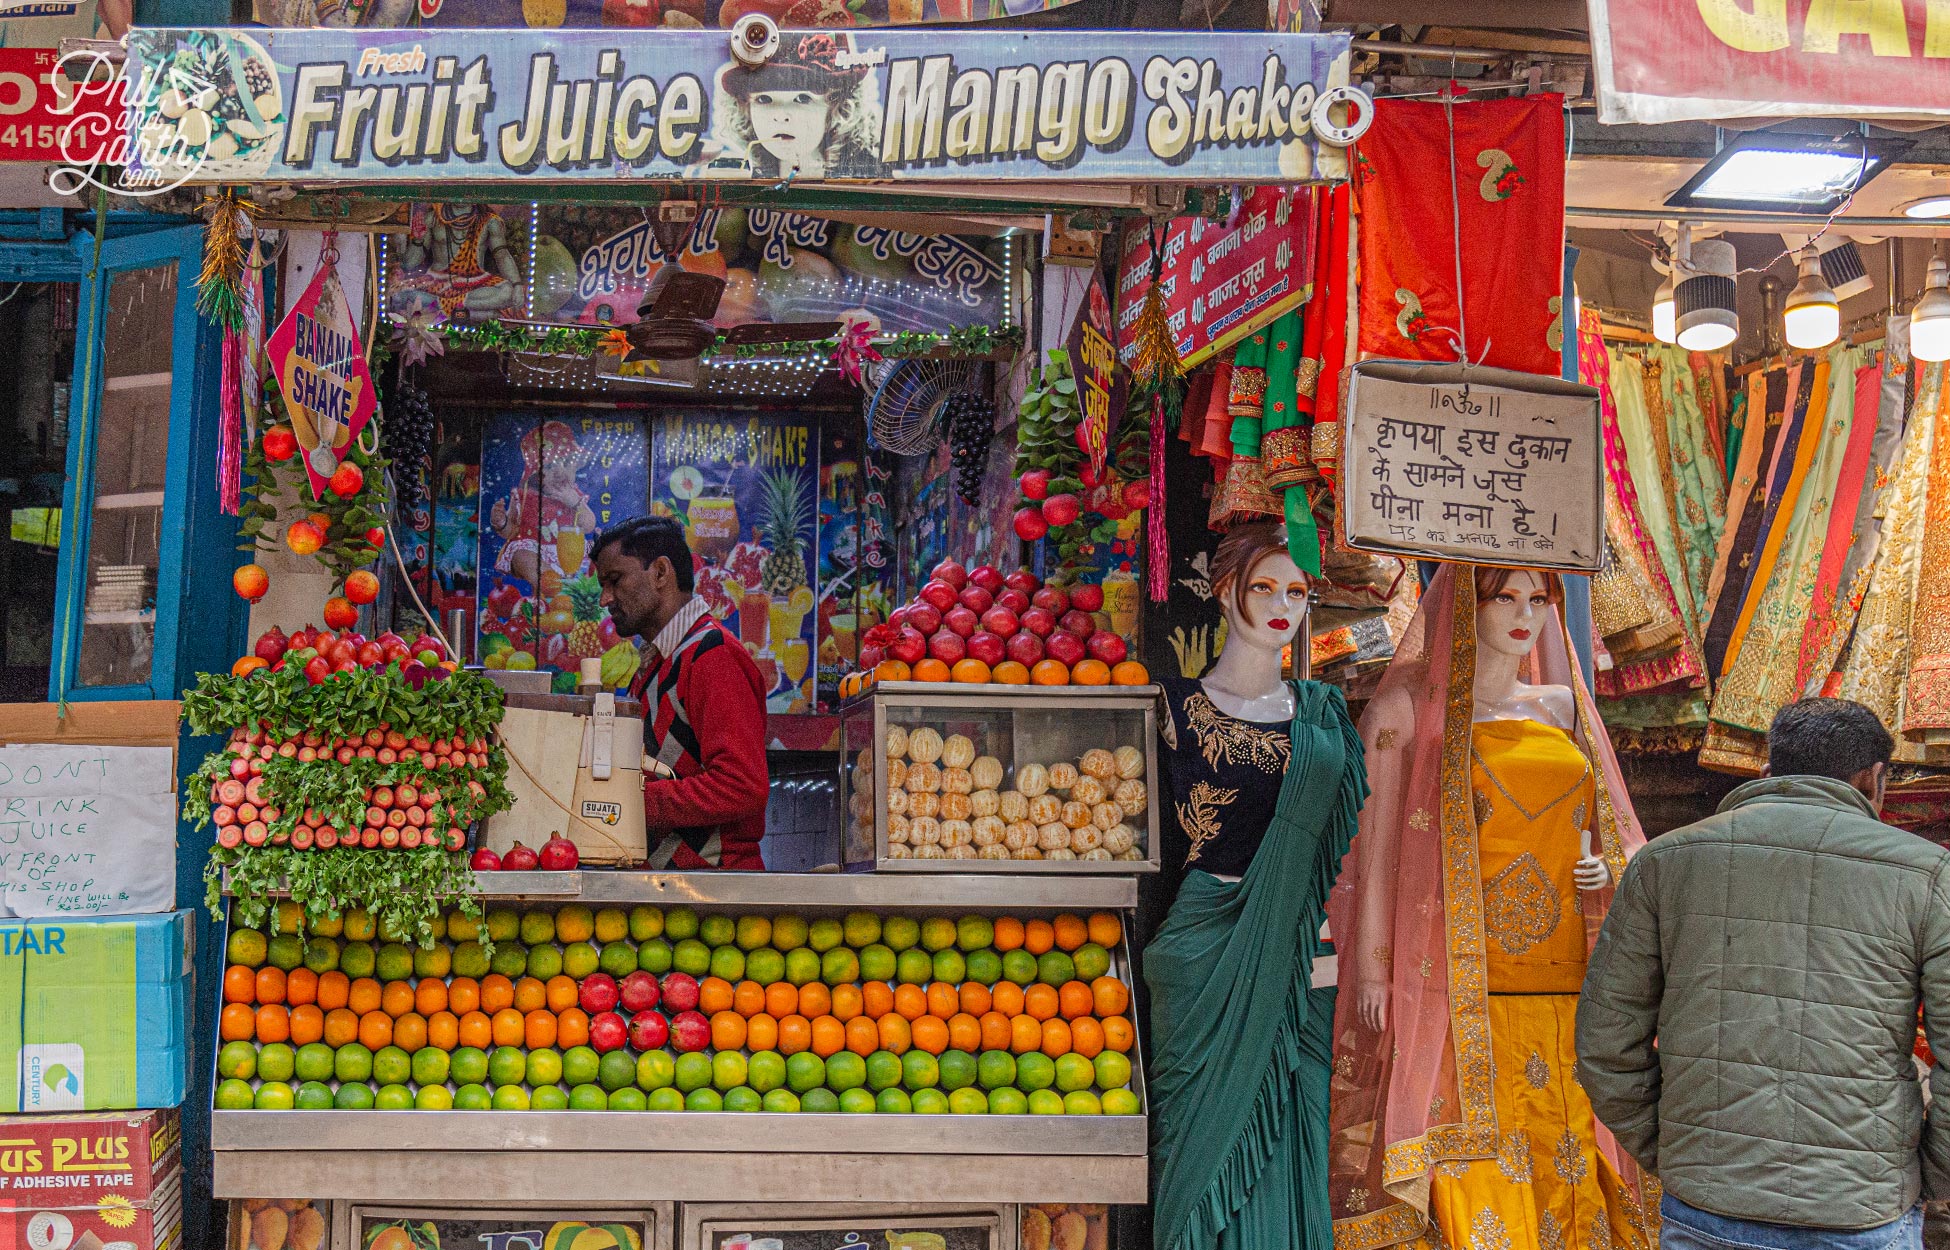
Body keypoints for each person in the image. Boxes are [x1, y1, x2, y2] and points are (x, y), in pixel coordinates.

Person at [1327, 564, 1656, 1250]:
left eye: (1537, 599)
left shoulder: (1563, 707)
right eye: (1503, 596)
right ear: (1462, 606)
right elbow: (1377, 849)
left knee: (1564, 1147)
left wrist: (1602, 872)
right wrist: (1375, 969)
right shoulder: (1407, 712)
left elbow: (1612, 830)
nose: (1523, 613)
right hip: (1454, 980)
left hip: (1564, 978)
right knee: (1473, 1151)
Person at [1578, 696, 1950, 1250]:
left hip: (1707, 1204)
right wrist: (1926, 1174)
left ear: (1768, 770)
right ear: (1874, 780)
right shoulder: (1927, 874)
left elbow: (1606, 1047)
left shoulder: (1664, 862)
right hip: (1860, 1211)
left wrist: (1679, 1153)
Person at [1146, 522, 1370, 1250]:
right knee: (1195, 1149)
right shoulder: (1172, 709)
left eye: (1297, 591)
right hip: (1205, 946)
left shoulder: (1323, 716)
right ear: (1225, 592)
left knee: (1292, 1127)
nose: (1283, 604)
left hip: (1304, 944)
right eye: (1264, 587)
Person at [592, 515, 769, 870]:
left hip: (715, 895)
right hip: (675, 894)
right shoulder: (658, 661)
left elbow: (743, 785)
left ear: (660, 573)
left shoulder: (712, 654)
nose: (604, 599)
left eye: (614, 580)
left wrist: (631, 801)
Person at [706, 32, 881, 179]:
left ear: (836, 109)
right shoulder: (745, 174)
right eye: (764, 99)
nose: (781, 115)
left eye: (803, 98)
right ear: (745, 109)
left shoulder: (868, 175)